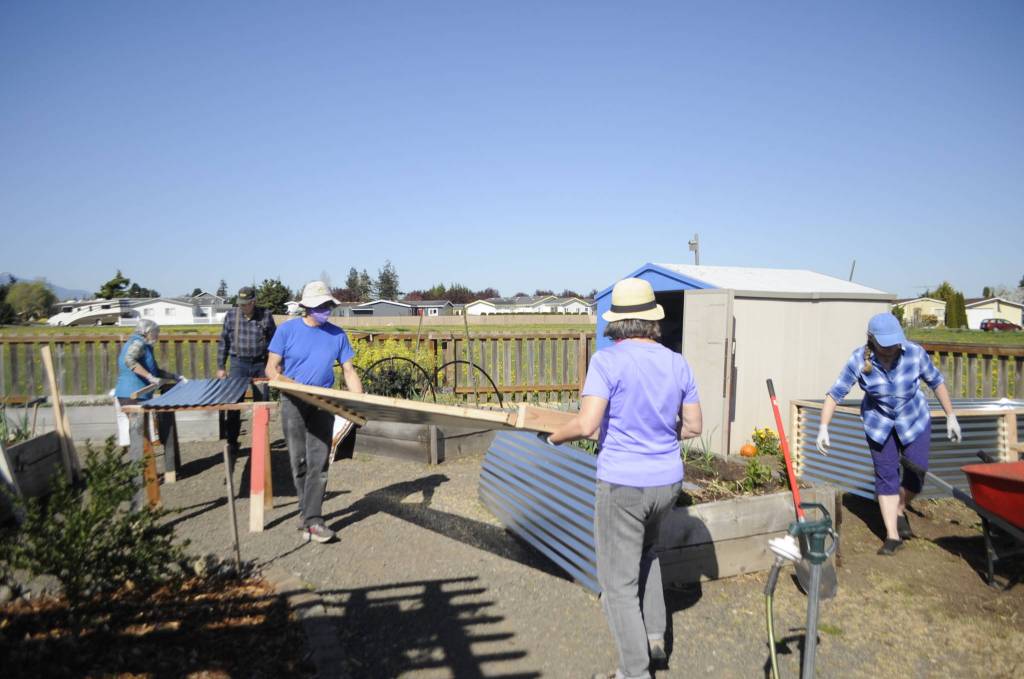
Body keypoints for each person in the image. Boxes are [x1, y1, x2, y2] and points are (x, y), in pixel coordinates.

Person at [545, 278, 702, 679]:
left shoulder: (607, 361)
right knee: (648, 556)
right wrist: (656, 433)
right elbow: (693, 426)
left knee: (617, 584)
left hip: (623, 486)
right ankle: (654, 640)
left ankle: (634, 672)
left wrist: (554, 436)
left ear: (616, 323)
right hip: (667, 483)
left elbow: (586, 424)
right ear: (652, 321)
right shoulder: (676, 362)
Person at [817, 312, 962, 555]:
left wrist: (951, 415)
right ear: (871, 339)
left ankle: (899, 507)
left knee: (917, 471)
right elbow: (835, 394)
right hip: (879, 423)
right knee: (886, 476)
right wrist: (823, 427)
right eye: (885, 345)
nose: (891, 349)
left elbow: (936, 382)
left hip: (913, 419)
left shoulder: (914, 353)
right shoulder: (858, 360)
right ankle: (892, 536)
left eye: (894, 343)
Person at [265, 281, 363, 544]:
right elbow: (271, 369)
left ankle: (314, 519)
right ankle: (305, 513)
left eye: (328, 306)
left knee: (319, 462)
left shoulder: (337, 335)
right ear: (306, 307)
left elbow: (349, 370)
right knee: (298, 460)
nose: (326, 311)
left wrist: (360, 403)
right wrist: (292, 385)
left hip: (324, 402)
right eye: (321, 306)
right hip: (294, 401)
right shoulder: (287, 331)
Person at [114, 319, 181, 508]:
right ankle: (142, 478)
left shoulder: (145, 346)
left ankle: (145, 475)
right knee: (140, 439)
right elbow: (130, 361)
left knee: (144, 437)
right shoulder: (137, 343)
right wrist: (149, 377)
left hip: (139, 395)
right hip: (131, 396)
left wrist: (172, 376)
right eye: (155, 333)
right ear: (147, 332)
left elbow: (154, 370)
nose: (157, 337)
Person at [216, 286, 277, 458]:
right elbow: (223, 343)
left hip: (260, 364)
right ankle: (232, 442)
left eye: (246, 304)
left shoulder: (265, 315)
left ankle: (262, 442)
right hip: (238, 364)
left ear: (253, 301)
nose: (243, 307)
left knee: (262, 404)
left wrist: (276, 364)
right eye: (240, 304)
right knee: (234, 404)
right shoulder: (231, 316)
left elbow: (275, 342)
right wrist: (221, 366)